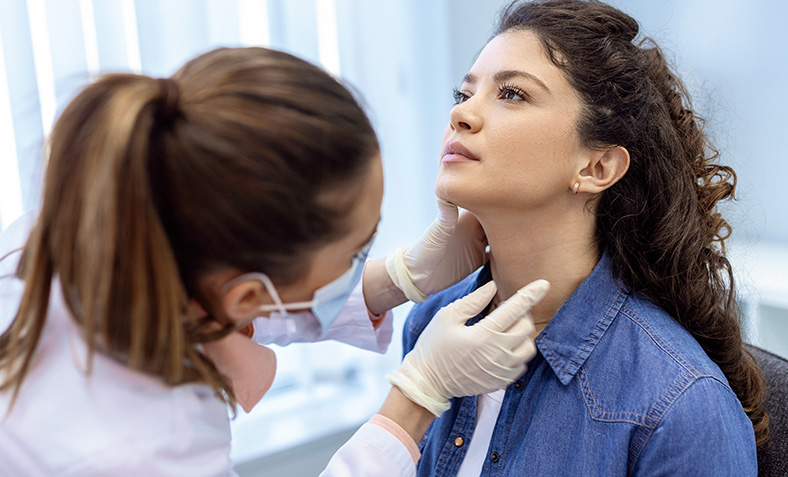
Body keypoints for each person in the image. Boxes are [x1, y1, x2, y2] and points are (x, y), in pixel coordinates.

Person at [0, 46, 551, 476]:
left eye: (514, 95)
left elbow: (200, 299)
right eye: (355, 252)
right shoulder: (134, 449)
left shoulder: (75, 238)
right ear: (246, 295)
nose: (460, 113)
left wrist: (392, 279)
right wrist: (419, 392)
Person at [402, 0, 768, 475]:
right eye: (463, 93)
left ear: (597, 167)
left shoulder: (680, 406)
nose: (463, 116)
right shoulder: (430, 323)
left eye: (511, 93)